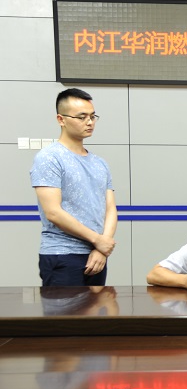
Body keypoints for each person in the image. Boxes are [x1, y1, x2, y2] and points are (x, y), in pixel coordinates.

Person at [30, 88, 117, 286]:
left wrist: (101, 247)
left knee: (96, 308)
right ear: (61, 119)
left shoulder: (100, 163)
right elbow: (53, 213)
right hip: (62, 255)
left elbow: (110, 208)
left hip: (97, 255)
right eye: (82, 117)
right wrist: (98, 240)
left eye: (93, 116)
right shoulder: (49, 158)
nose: (90, 122)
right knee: (65, 308)